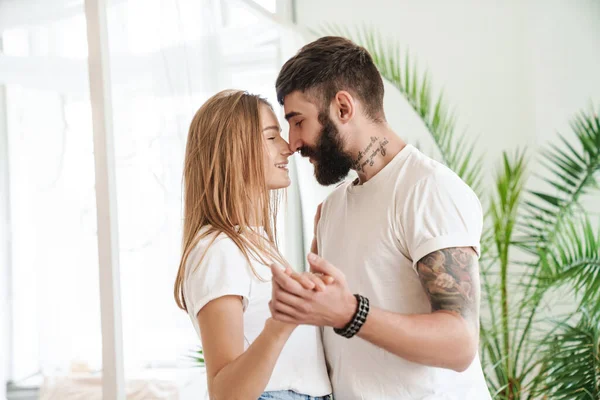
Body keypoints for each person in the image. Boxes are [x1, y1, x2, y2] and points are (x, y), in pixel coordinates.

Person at [269, 36, 492, 399]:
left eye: (298, 121)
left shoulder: (429, 189)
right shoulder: (331, 209)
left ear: (342, 107)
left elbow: (459, 343)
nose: (292, 143)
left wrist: (349, 313)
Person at [173, 90, 333, 400]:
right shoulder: (218, 250)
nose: (288, 148)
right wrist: (280, 326)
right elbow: (225, 392)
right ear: (233, 150)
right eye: (272, 137)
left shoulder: (252, 242)